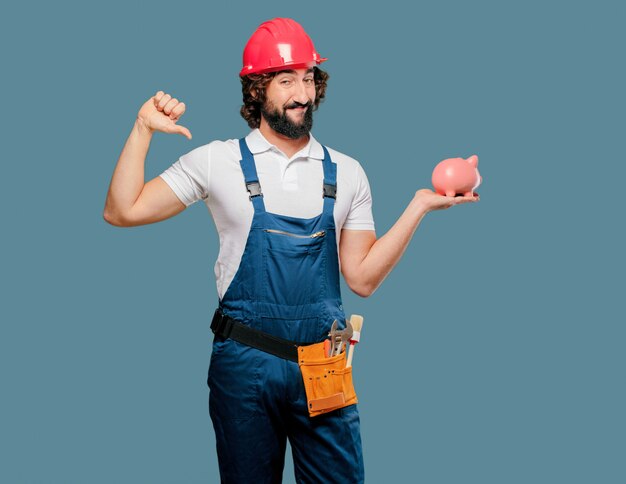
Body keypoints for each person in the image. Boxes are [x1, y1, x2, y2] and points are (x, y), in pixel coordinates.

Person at [103, 17, 479, 484]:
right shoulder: (215, 161)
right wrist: (143, 128)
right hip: (244, 363)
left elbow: (360, 279)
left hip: (327, 359)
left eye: (308, 78)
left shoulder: (347, 172)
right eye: (286, 80)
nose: (302, 93)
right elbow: (122, 210)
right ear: (257, 89)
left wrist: (419, 207)